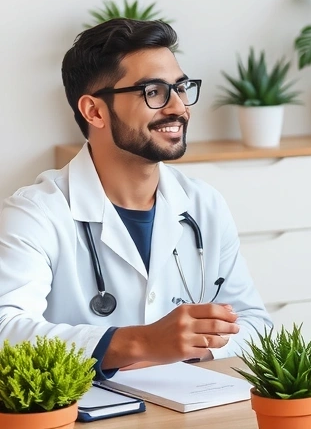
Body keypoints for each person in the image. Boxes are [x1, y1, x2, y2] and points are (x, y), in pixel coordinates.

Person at [0, 19, 272, 378]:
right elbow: (6, 332)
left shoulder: (203, 204)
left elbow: (255, 326)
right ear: (94, 111)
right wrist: (140, 344)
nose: (179, 108)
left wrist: (187, 348)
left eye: (181, 88)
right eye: (154, 91)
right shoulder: (35, 213)